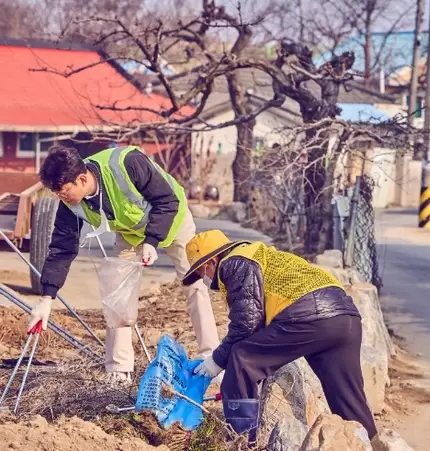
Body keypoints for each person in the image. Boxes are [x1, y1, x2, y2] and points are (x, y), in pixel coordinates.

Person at [27, 144, 221, 386]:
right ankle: (119, 370)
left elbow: (166, 200)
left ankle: (211, 357)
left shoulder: (127, 163)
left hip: (174, 221)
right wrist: (47, 299)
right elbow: (62, 248)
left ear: (82, 178)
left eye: (64, 191)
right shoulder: (70, 203)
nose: (62, 198)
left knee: (195, 286)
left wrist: (152, 241)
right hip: (131, 235)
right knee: (117, 296)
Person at [182, 230, 377, 445]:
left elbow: (246, 324)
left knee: (242, 358)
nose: (205, 279)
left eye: (202, 272)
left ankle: (241, 441)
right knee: (348, 399)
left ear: (211, 261)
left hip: (310, 316)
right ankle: (374, 444)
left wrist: (217, 361)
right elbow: (258, 326)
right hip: (344, 316)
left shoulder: (234, 263)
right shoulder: (257, 254)